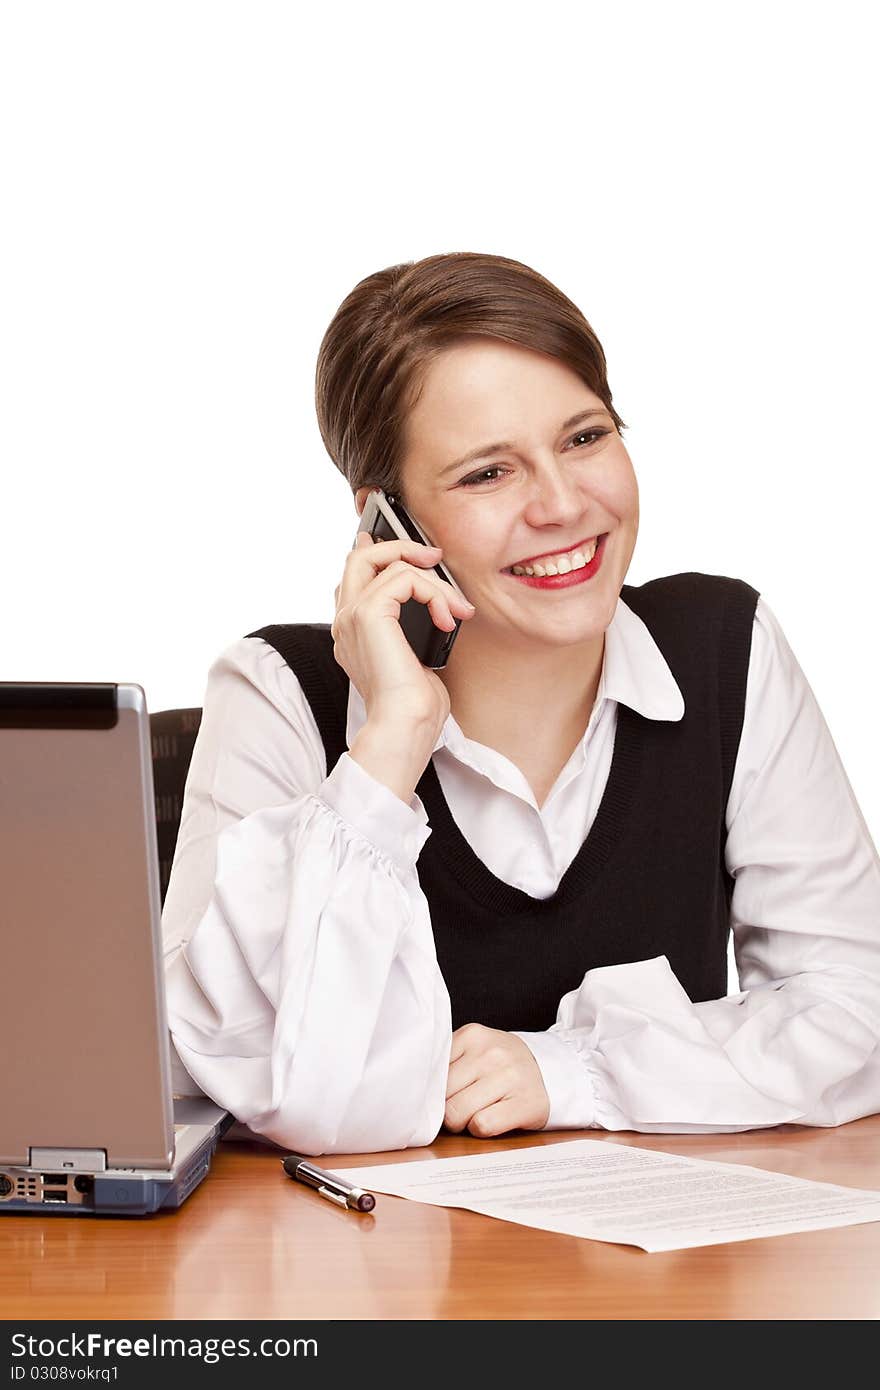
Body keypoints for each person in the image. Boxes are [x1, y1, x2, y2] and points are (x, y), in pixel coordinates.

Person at [162, 251, 880, 1156]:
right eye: (487, 474)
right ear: (388, 524)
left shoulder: (724, 650)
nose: (563, 505)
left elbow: (858, 1011)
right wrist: (391, 746)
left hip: (663, 1273)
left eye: (585, 437)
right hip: (371, 1279)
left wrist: (573, 1070)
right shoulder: (281, 694)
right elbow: (284, 1098)